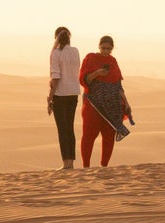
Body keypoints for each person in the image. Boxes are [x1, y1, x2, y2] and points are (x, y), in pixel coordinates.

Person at [77, 34, 132, 168]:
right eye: (103, 48)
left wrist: (127, 103)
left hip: (113, 106)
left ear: (112, 49)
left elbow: (119, 85)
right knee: (89, 135)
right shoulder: (90, 58)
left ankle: (104, 166)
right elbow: (84, 79)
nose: (106, 51)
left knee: (108, 136)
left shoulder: (113, 61)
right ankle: (86, 166)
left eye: (108, 49)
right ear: (99, 46)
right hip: (93, 104)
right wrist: (97, 73)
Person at [47, 26, 81, 169]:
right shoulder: (75, 51)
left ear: (56, 37)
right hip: (73, 93)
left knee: (62, 129)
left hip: (60, 94)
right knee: (69, 128)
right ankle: (71, 163)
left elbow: (56, 77)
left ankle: (65, 163)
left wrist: (50, 97)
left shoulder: (56, 53)